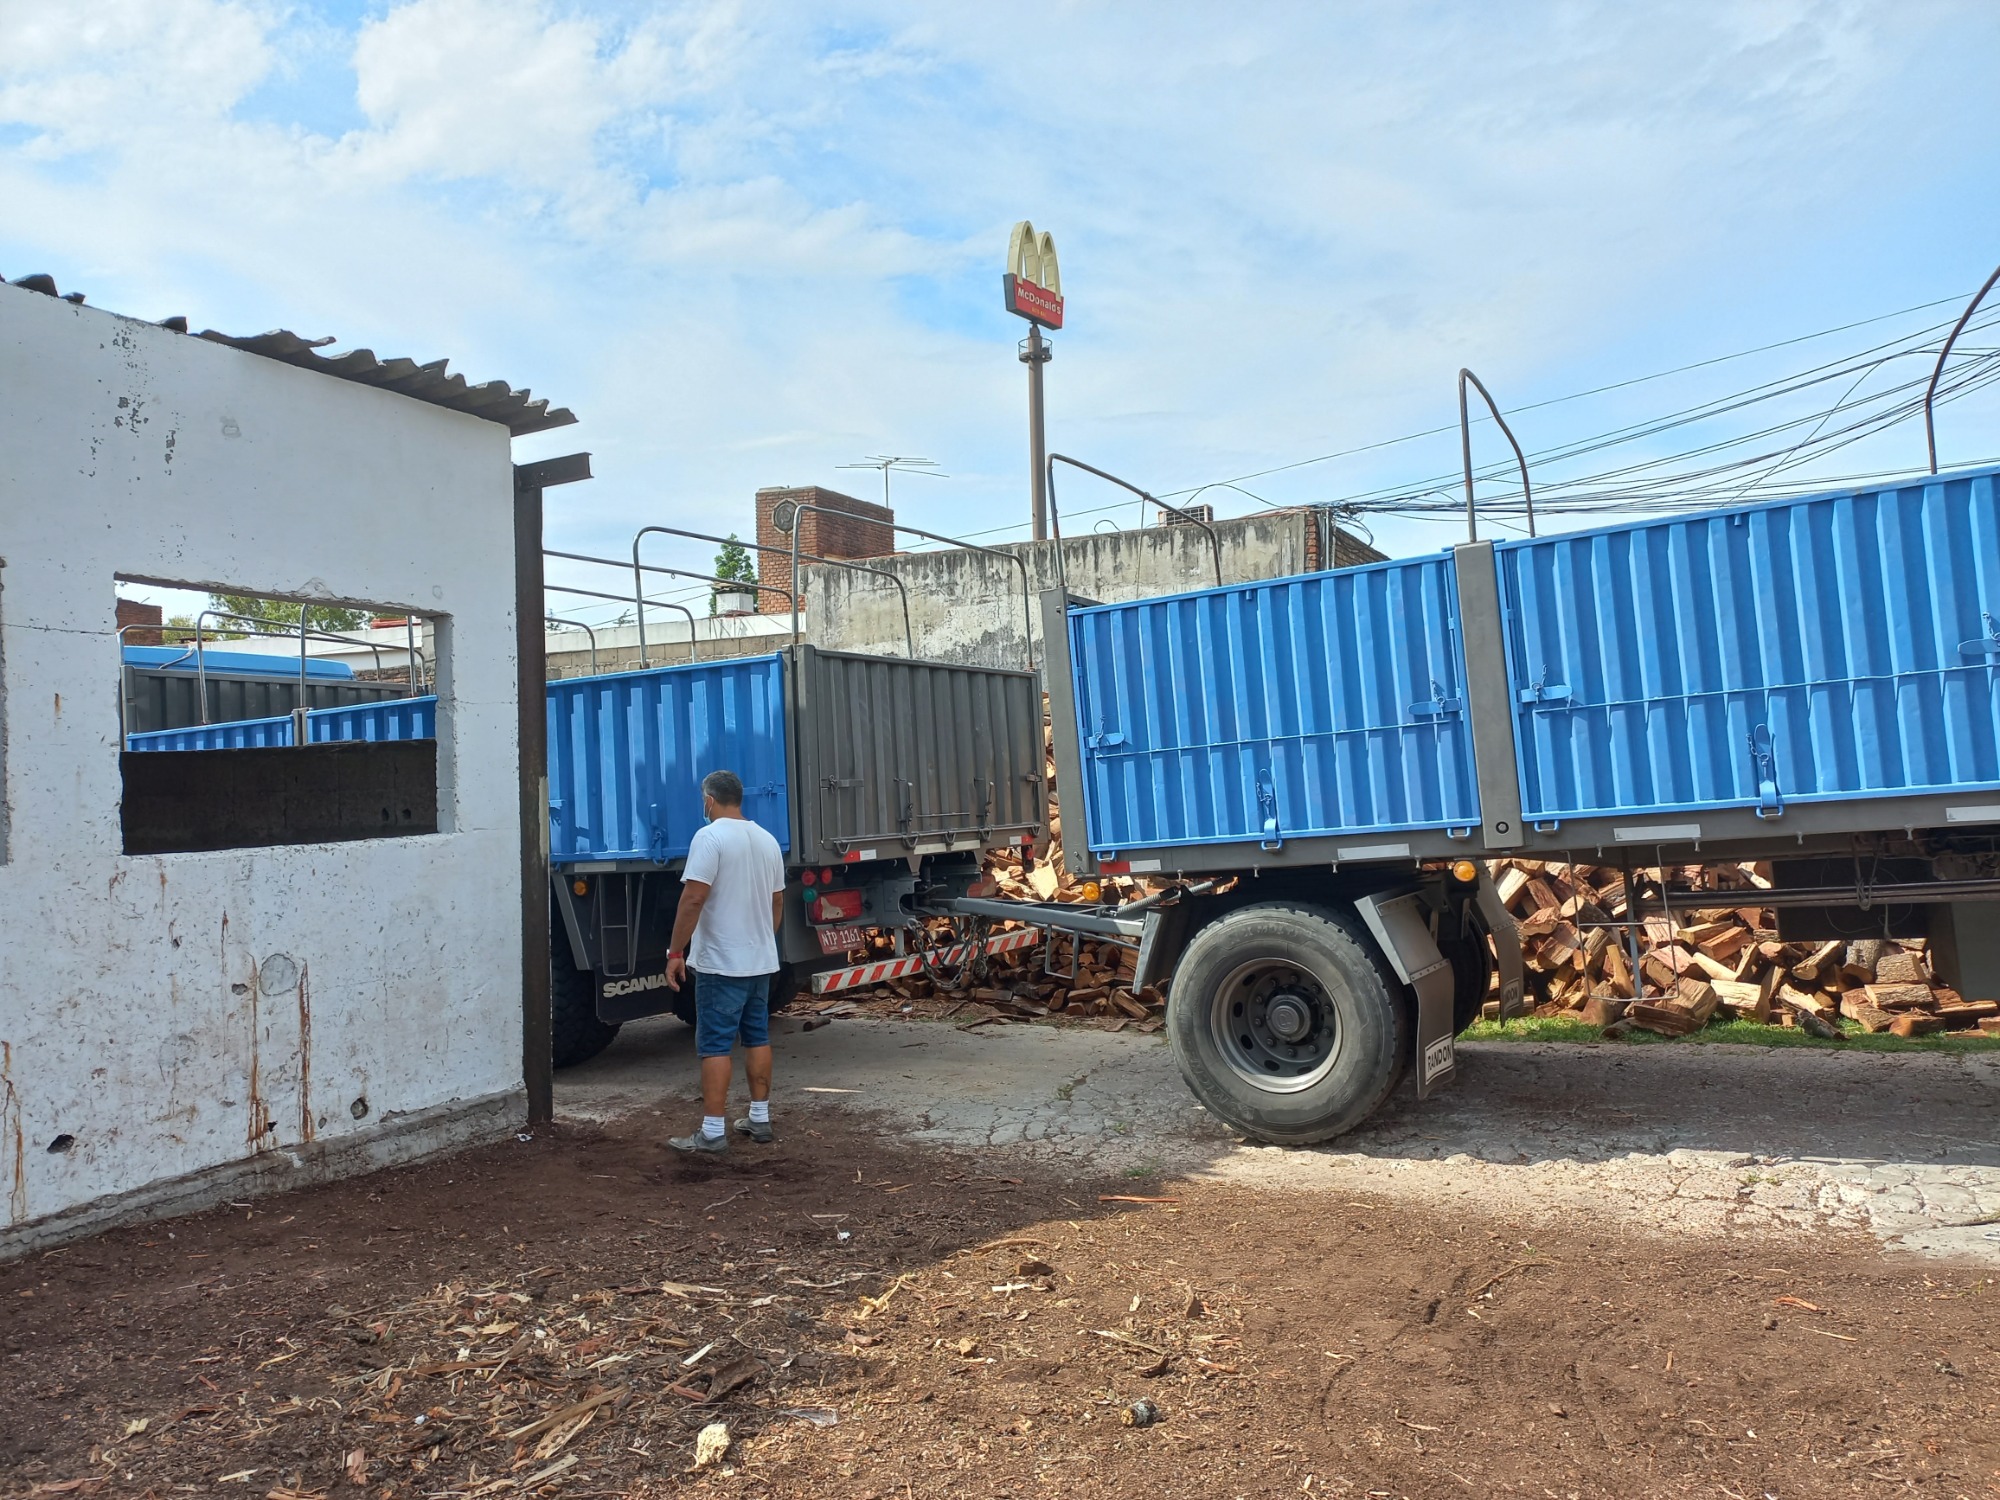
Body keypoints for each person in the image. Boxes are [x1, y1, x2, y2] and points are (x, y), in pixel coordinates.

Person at [663, 769, 787, 1155]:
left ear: (709, 801)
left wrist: (675, 952)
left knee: (715, 1044)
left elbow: (694, 898)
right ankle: (760, 1118)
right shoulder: (766, 840)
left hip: (721, 962)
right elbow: (777, 902)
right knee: (757, 1037)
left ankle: (712, 1132)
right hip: (760, 961)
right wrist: (761, 939)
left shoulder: (710, 836)